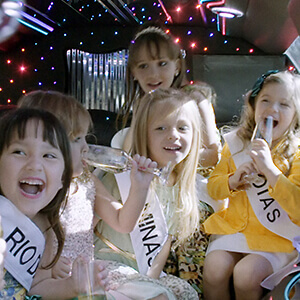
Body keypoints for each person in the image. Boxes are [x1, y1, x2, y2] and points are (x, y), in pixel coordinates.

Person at [18, 90, 176, 300]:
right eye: (75, 139)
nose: (86, 147)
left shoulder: (86, 180)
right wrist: (65, 280)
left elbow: (123, 222)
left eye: (84, 137)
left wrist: (140, 187)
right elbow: (36, 281)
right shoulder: (38, 198)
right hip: (63, 285)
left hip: (90, 273)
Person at [95, 88, 211, 299]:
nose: (173, 135)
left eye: (183, 128)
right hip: (106, 267)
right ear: (144, 134)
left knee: (187, 294)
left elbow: (163, 244)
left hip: (142, 270)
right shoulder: (122, 177)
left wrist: (152, 278)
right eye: (161, 128)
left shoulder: (183, 189)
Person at [203, 70, 300, 300]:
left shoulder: (296, 153)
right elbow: (213, 186)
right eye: (265, 100)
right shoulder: (236, 144)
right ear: (253, 106)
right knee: (214, 268)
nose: (272, 109)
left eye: (284, 104)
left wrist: (270, 170)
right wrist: (231, 181)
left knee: (246, 275)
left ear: (296, 115)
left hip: (276, 239)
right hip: (234, 230)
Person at [115, 24, 220, 169]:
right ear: (134, 73)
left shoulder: (195, 98)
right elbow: (128, 152)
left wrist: (169, 160)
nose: (153, 74)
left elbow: (214, 154)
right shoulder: (143, 104)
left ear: (176, 67)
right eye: (143, 66)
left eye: (162, 64)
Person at [0, 108, 73, 299]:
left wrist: (73, 286)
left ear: (63, 179)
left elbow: (37, 287)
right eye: (19, 151)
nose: (34, 165)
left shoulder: (44, 226)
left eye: (49, 155)